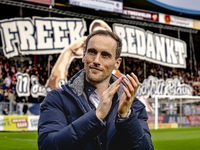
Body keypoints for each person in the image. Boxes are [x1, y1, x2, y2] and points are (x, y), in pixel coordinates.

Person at [38, 30, 154, 150]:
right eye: (92, 52)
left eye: (105, 55)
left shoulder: (133, 106)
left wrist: (125, 118)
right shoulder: (57, 99)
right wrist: (96, 116)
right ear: (84, 56)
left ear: (117, 63)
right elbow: (48, 146)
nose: (96, 61)